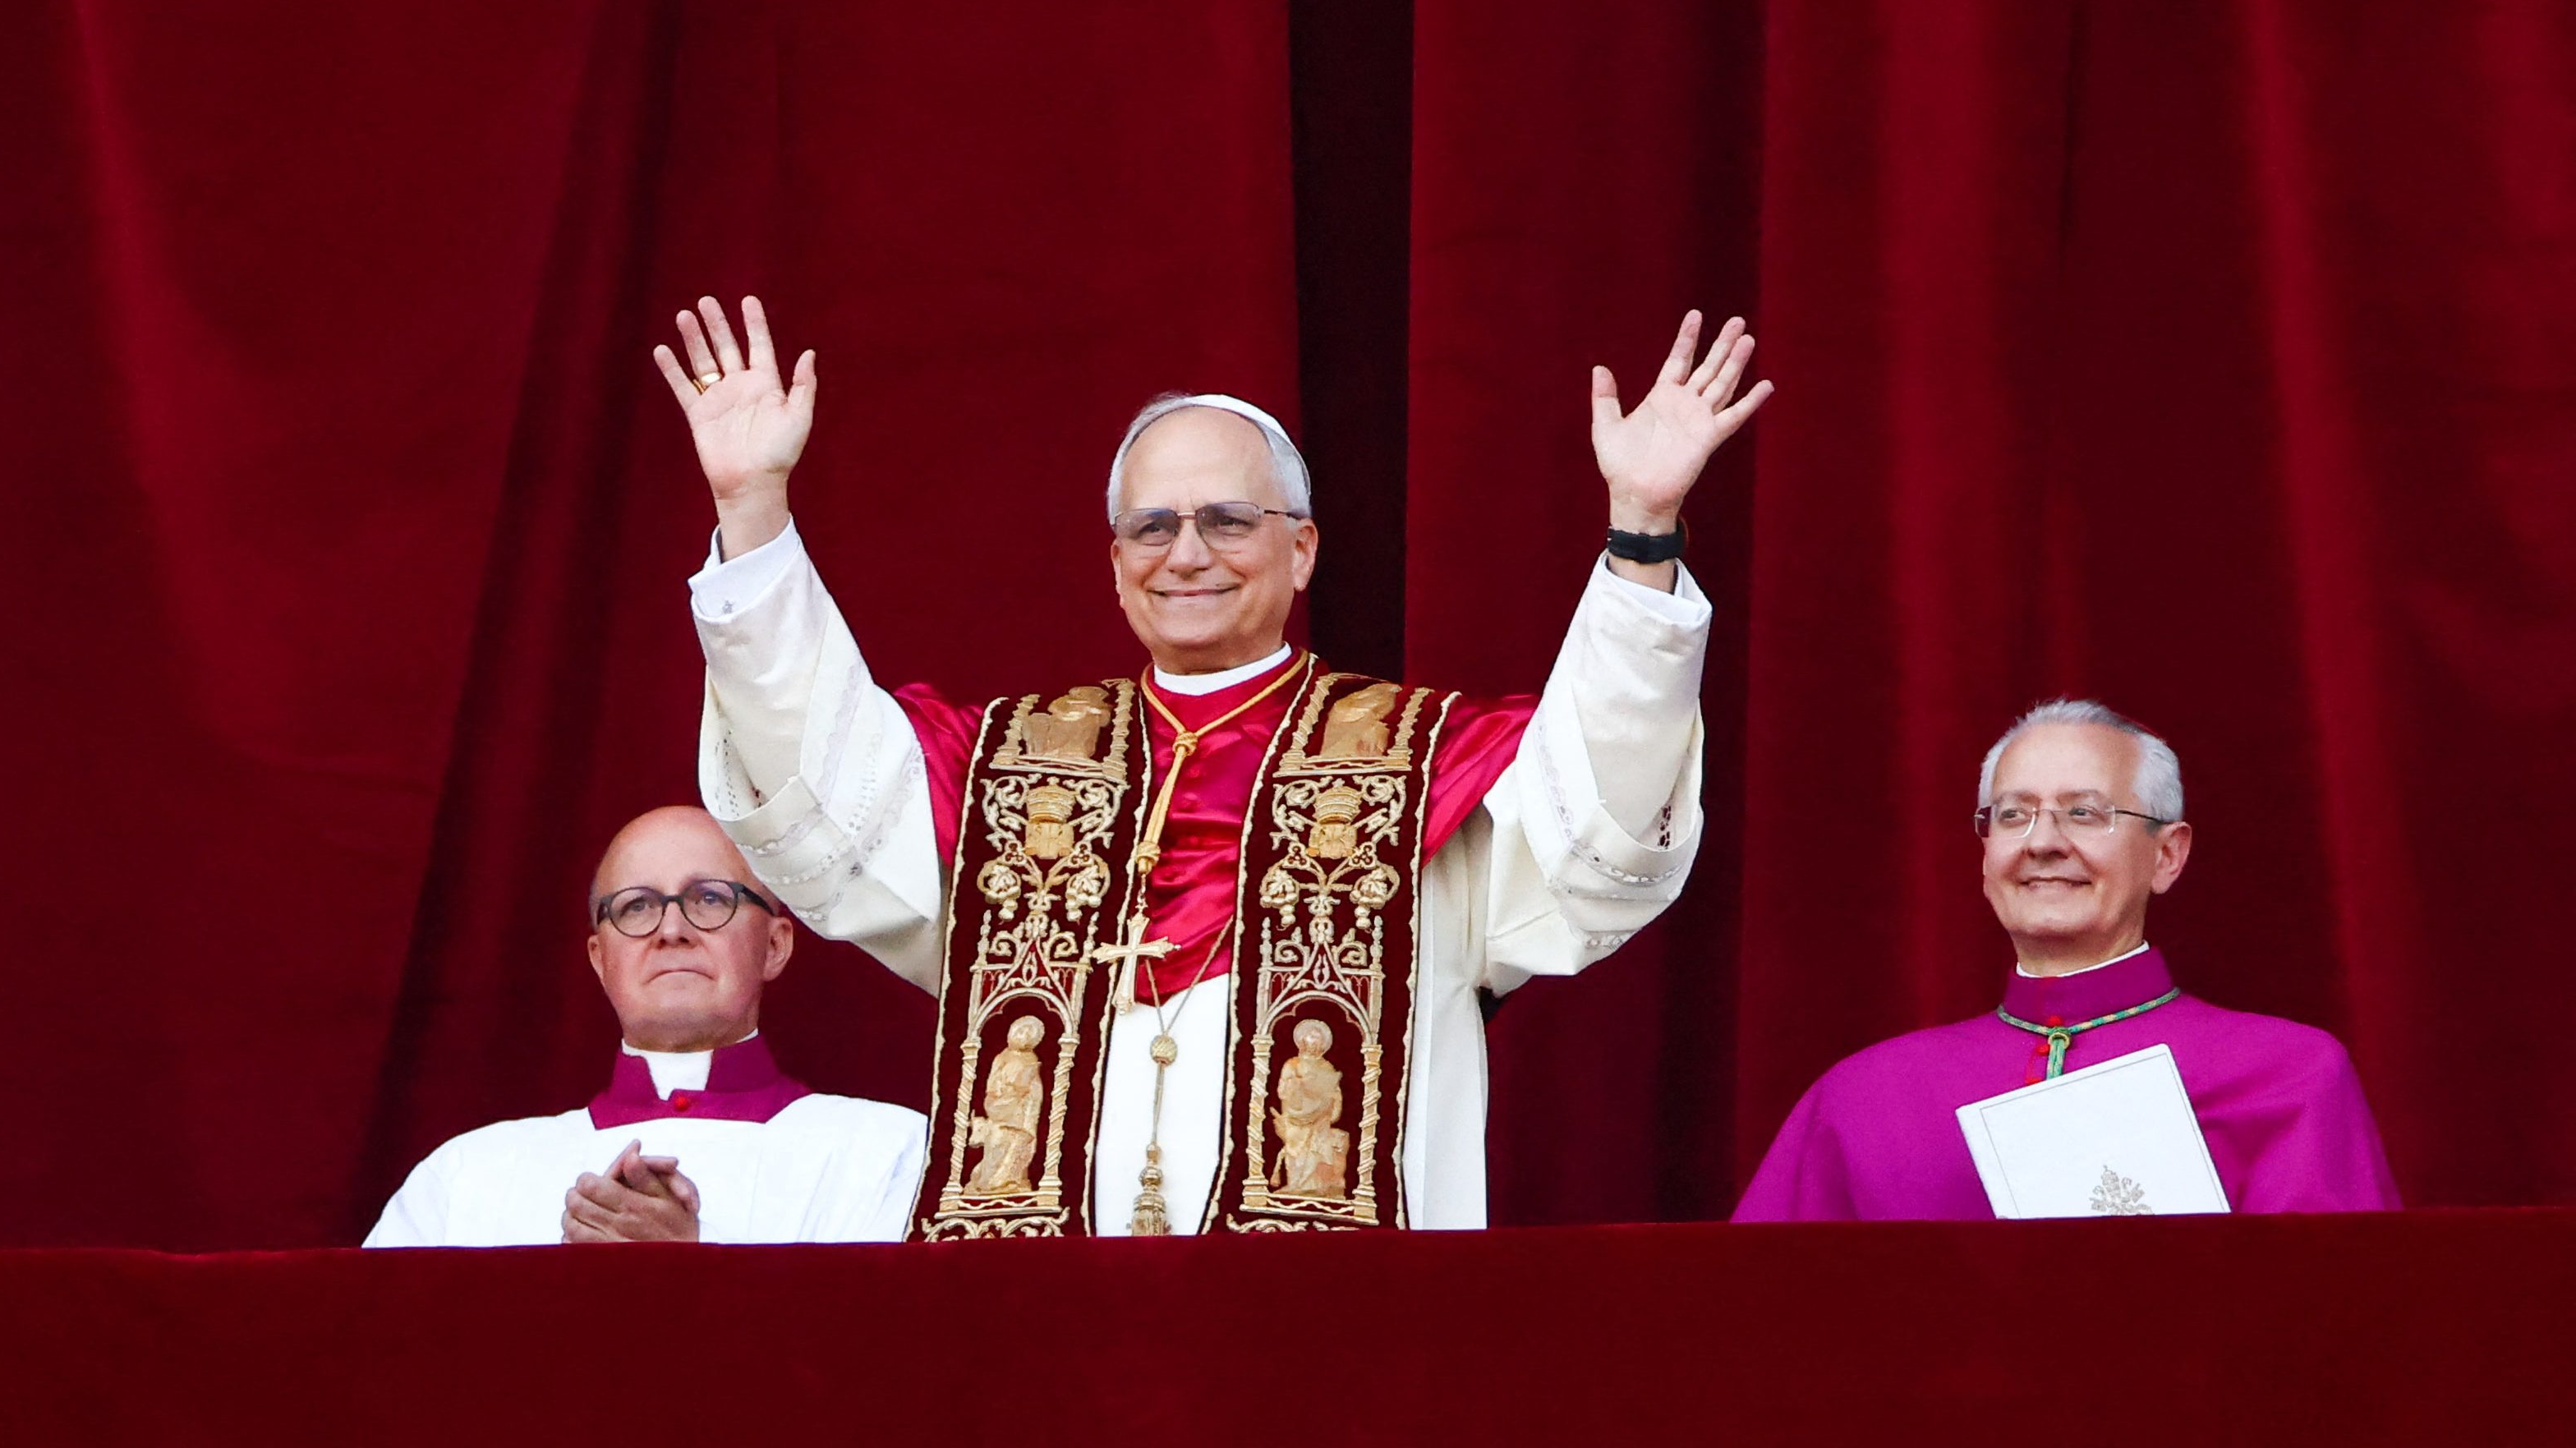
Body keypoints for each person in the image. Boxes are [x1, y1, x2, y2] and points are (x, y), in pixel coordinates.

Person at [654, 295, 1770, 1236]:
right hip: (1046, 1333)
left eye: (1227, 520)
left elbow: (1598, 823)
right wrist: (751, 510)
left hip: (1327, 1349)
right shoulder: (1005, 772)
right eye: (1152, 527)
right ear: (1114, 562)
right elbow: (820, 786)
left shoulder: (1422, 764)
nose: (1185, 553)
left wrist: (1642, 528)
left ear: (1302, 548)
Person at [1732, 700, 2399, 1220]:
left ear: (2167, 855)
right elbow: (1757, 1324)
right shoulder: (1862, 1097)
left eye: (2084, 813)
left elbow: (2336, 1330)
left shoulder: (2286, 1075)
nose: (2043, 842)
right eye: (2013, 815)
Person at [364, 806, 926, 1246]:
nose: (671, 929)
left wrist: (692, 1270)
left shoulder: (890, 1154)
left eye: (710, 898)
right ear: (599, 959)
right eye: (635, 907)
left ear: (775, 946)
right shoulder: (467, 1175)